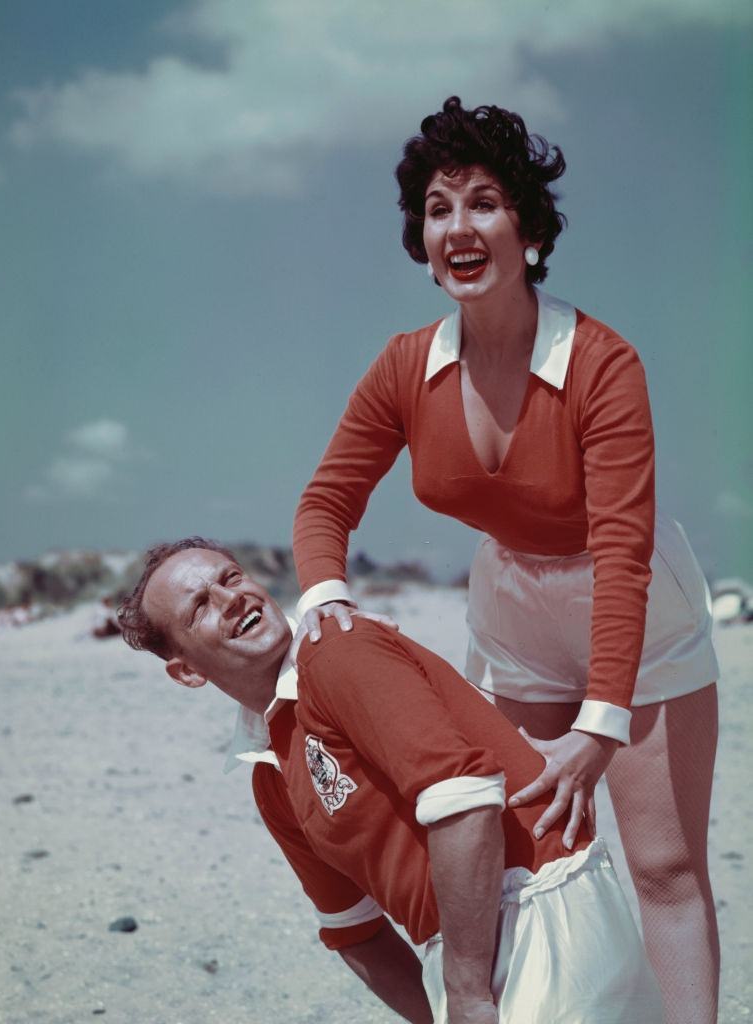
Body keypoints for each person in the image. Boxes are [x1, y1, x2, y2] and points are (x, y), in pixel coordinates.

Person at [293, 97, 720, 1024]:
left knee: (663, 862)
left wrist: (600, 725)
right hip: (513, 606)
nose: (459, 227)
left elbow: (621, 547)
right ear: (422, 239)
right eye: (439, 209)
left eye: (484, 202)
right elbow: (327, 499)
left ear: (527, 228)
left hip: (634, 598)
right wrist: (324, 594)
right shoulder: (406, 366)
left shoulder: (603, 362)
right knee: (547, 851)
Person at [118, 537, 662, 1024]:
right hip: (463, 949)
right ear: (187, 671)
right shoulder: (270, 773)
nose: (230, 597)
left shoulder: (336, 650)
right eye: (200, 606)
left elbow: (466, 800)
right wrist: (449, 1005)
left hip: (542, 908)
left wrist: (468, 994)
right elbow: (355, 930)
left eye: (231, 577)